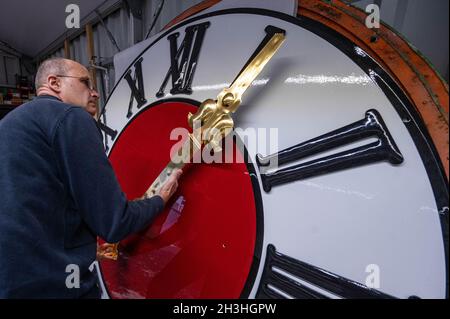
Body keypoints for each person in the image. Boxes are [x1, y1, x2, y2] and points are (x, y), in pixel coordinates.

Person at [0, 58, 182, 298]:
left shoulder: (8, 124)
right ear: (54, 83)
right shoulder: (70, 117)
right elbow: (114, 222)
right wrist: (159, 199)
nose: (94, 92)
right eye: (86, 82)